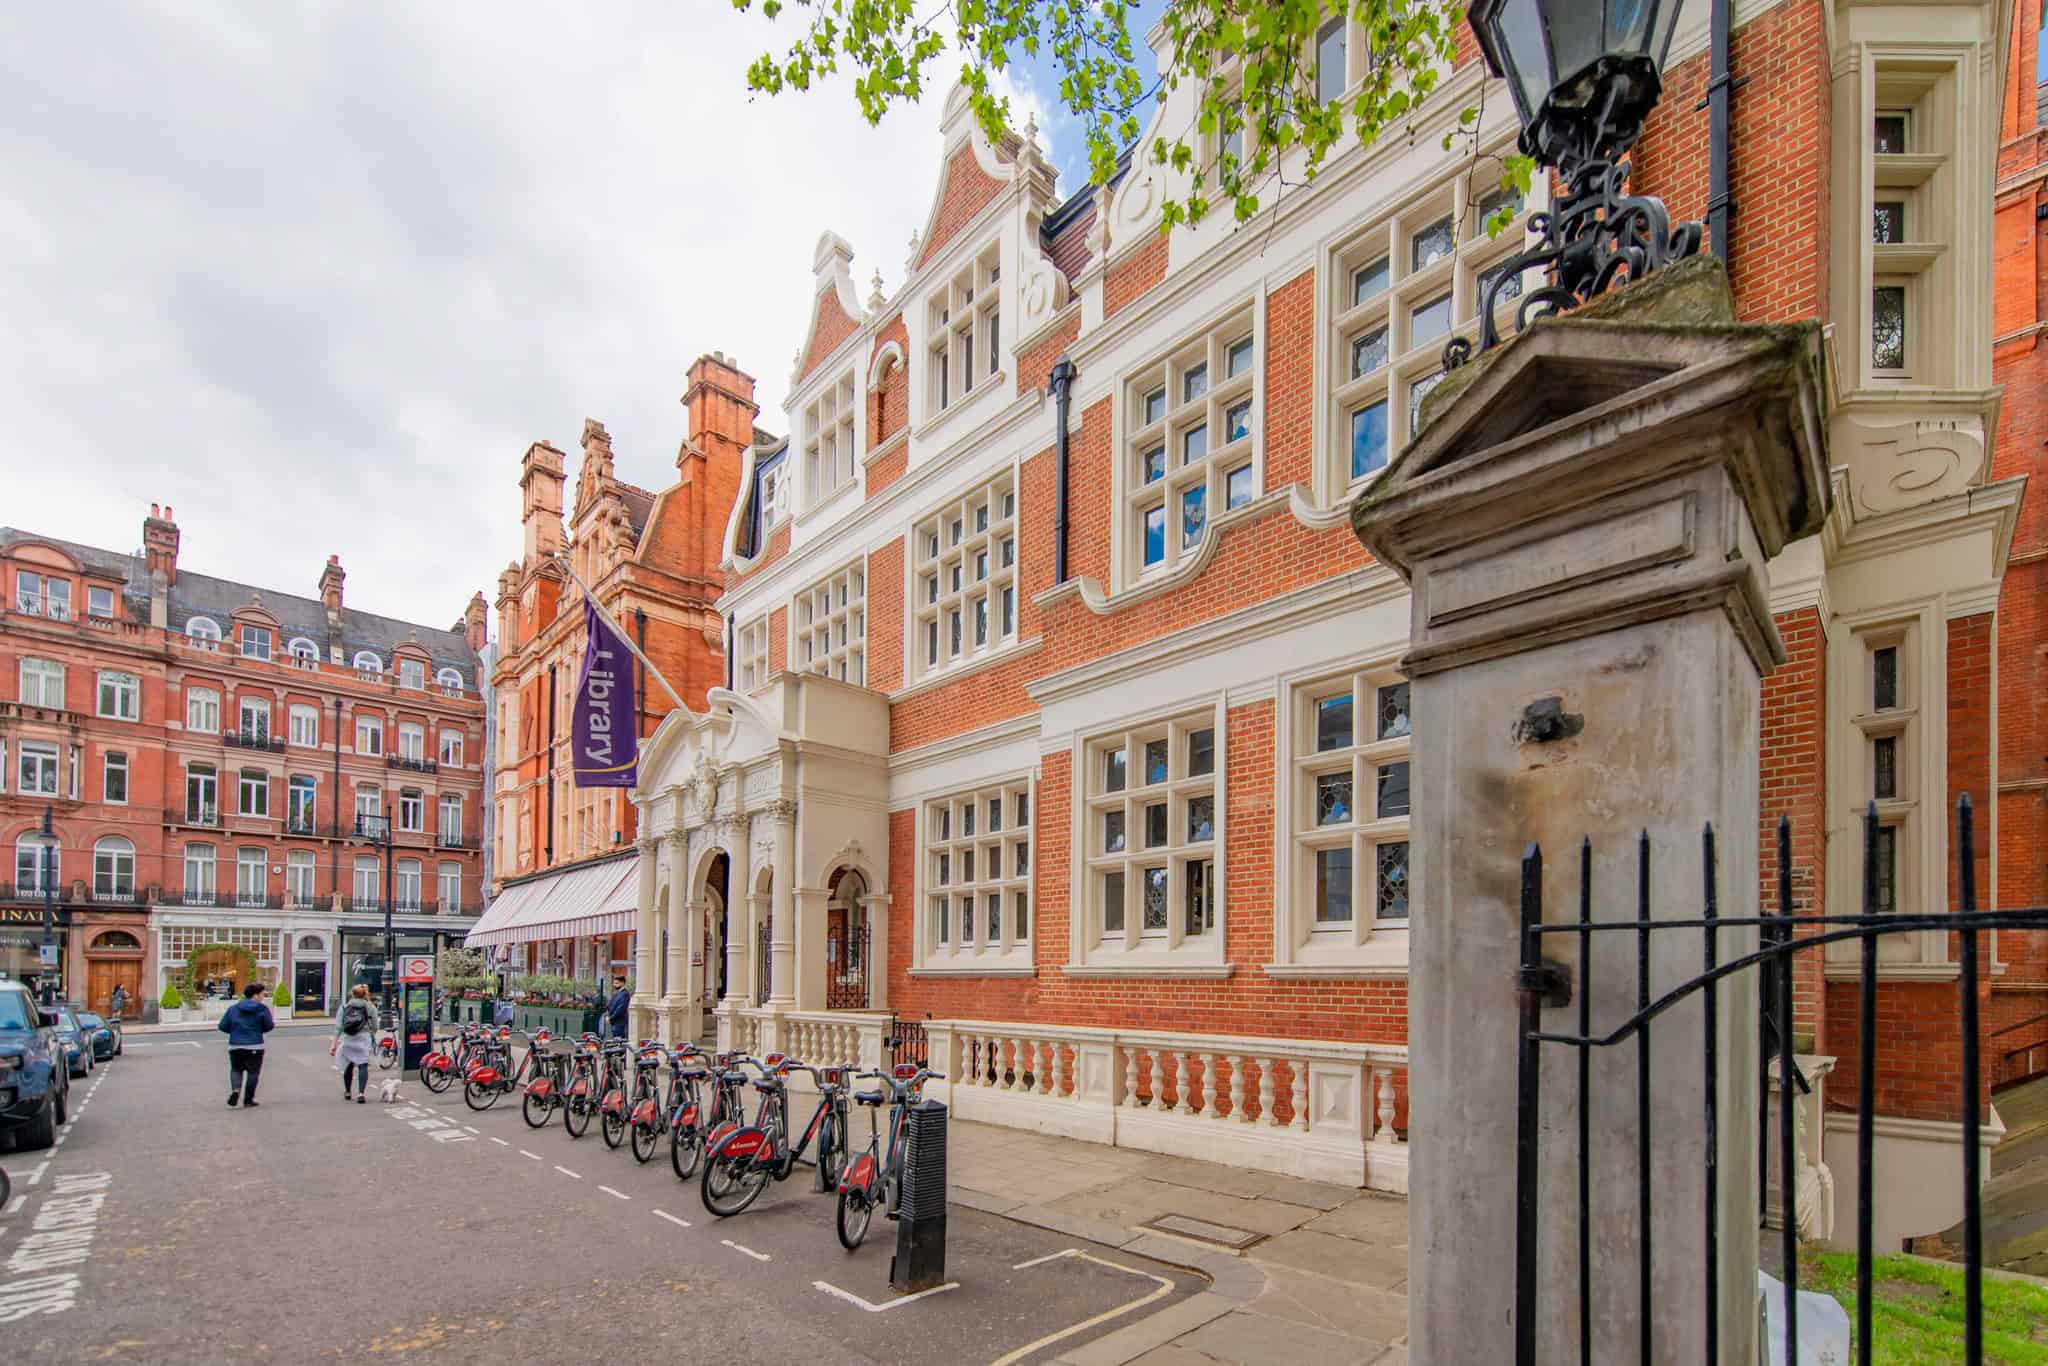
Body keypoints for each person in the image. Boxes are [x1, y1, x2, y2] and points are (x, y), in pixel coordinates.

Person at [217, 982, 275, 1108]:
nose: (263, 997)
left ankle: (235, 1090)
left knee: (236, 1069)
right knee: (253, 1072)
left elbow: (222, 1026)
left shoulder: (233, 1008)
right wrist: (259, 1030)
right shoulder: (262, 1009)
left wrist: (234, 1031)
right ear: (255, 995)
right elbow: (269, 1025)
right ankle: (248, 1100)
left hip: (235, 1045)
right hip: (255, 1045)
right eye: (262, 994)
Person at [331, 983, 376, 1103]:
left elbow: (338, 1027)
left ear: (352, 994)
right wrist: (372, 1035)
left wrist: (333, 1044)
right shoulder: (370, 1007)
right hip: (364, 1038)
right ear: (364, 994)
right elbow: (375, 1026)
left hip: (349, 1038)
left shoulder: (345, 1006)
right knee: (363, 1065)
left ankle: (348, 1091)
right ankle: (361, 1093)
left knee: (349, 1064)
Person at [605, 974, 630, 1039]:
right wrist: (608, 1016)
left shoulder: (625, 994)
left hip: (620, 1022)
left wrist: (611, 1018)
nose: (614, 985)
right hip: (614, 1022)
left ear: (622, 983)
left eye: (617, 983)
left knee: (619, 1041)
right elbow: (609, 1005)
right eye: (614, 983)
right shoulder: (616, 993)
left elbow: (621, 1008)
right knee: (615, 1040)